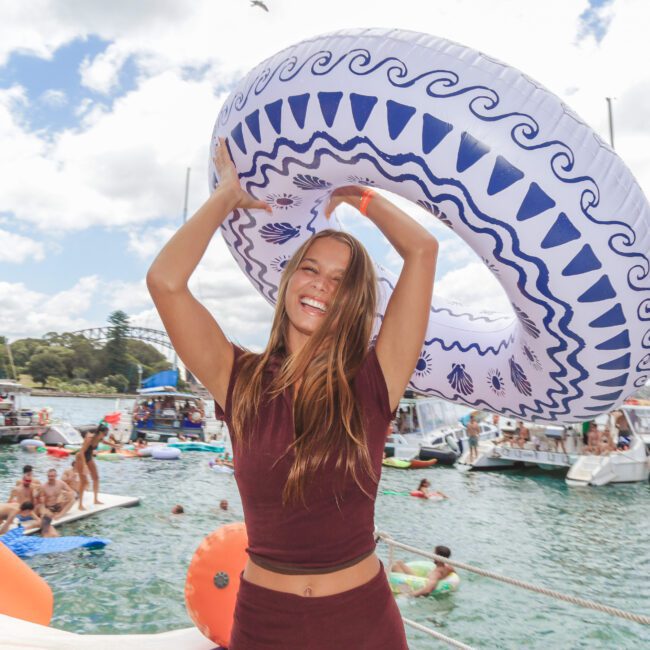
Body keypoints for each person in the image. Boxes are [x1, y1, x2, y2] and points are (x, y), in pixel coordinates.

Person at [146, 136, 438, 649]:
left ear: (355, 302)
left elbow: (422, 249)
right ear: (288, 281)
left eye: (341, 280)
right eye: (311, 268)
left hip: (364, 623)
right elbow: (165, 282)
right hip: (265, 623)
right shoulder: (239, 379)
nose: (322, 285)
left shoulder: (375, 380)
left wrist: (356, 195)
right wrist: (226, 197)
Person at [76, 423, 108, 510]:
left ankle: (95, 499)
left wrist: (115, 445)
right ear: (100, 432)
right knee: (83, 482)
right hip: (80, 458)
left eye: (106, 434)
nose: (105, 435)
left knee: (96, 478)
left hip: (89, 457)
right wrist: (84, 465)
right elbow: (82, 452)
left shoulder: (99, 437)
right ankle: (80, 505)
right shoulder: (90, 438)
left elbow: (104, 441)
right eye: (105, 434)